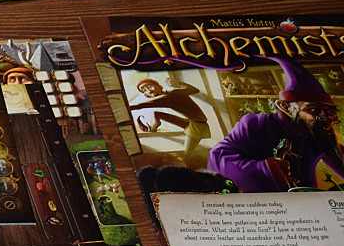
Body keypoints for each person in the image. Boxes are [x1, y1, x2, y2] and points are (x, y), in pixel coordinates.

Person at [207, 57, 343, 192]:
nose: (325, 118)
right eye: (313, 111)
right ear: (285, 107)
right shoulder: (255, 124)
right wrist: (267, 168)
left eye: (330, 113)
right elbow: (218, 157)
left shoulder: (316, 131)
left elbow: (338, 157)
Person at [130, 76, 212, 162]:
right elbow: (194, 90)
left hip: (198, 126)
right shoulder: (173, 92)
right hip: (190, 122)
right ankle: (155, 126)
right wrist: (178, 84)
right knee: (157, 114)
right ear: (147, 95)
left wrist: (177, 83)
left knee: (187, 154)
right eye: (144, 90)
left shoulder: (169, 96)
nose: (149, 91)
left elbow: (141, 105)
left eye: (150, 86)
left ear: (159, 87)